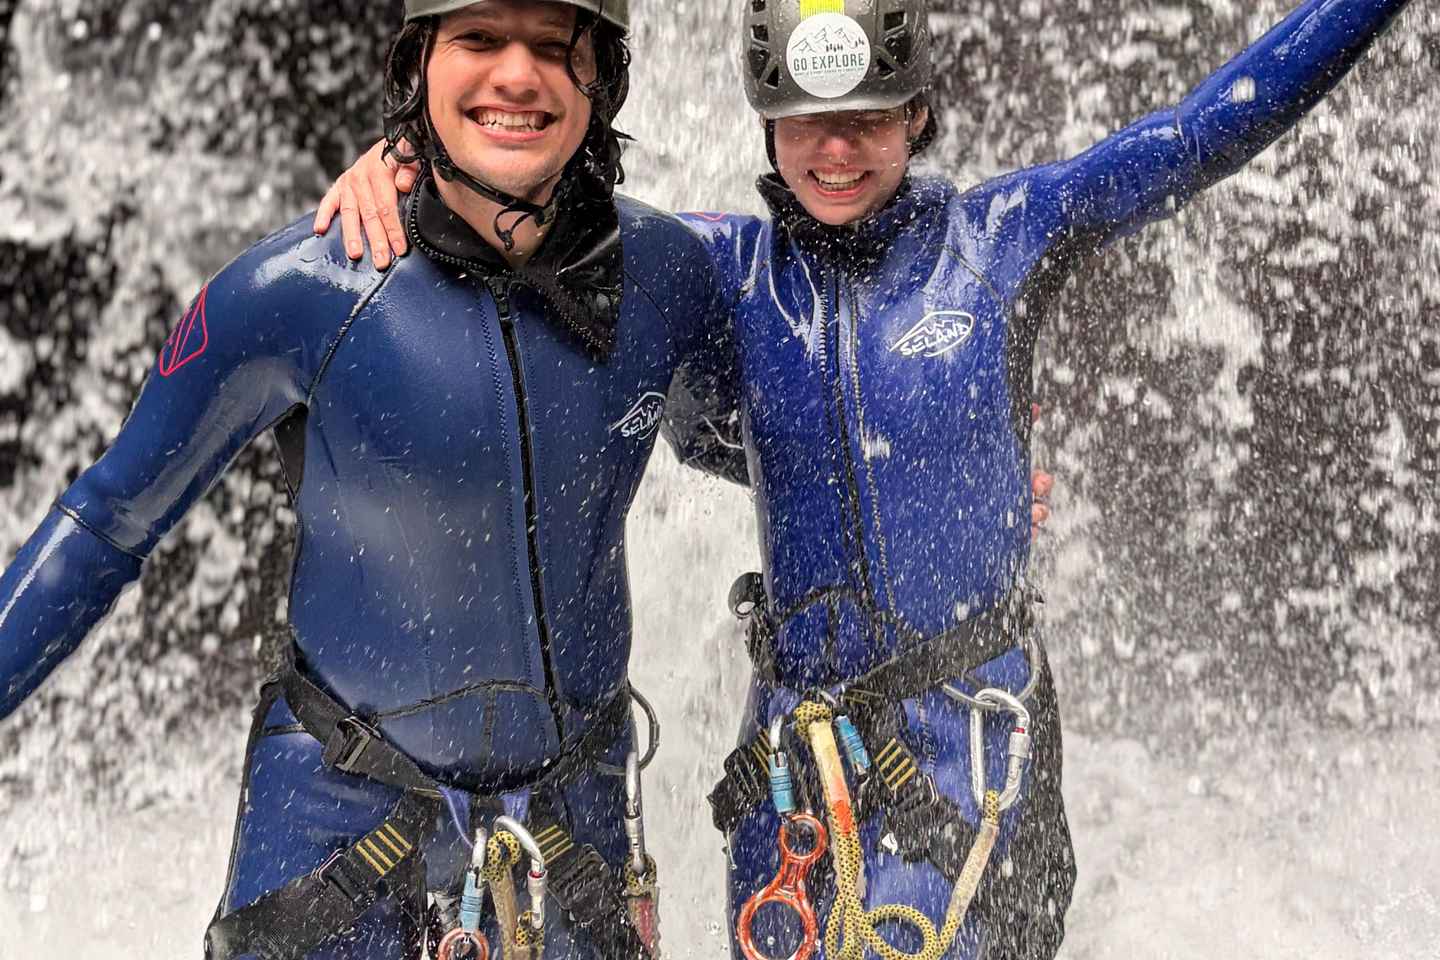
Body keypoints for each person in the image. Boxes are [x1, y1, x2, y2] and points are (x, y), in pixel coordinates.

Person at [324, 0, 1419, 957]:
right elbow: (512, 204)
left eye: (866, 117)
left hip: (975, 749)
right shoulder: (710, 268)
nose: (835, 149)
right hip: (792, 760)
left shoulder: (1003, 237)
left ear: (918, 114)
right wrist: (403, 164)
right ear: (767, 121)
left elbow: (1208, 126)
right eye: (807, 120)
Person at [0, 1, 737, 957]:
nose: (518, 76)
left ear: (607, 77)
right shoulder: (298, 293)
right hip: (331, 824)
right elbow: (106, 522)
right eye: (478, 40)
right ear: (416, 64)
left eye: (556, 47)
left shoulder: (672, 276)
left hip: (569, 832)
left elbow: (769, 447)